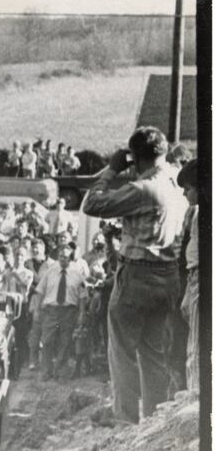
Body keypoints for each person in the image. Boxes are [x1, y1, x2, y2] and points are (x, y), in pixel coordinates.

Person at [82, 127, 189, 423]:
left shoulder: (144, 188)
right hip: (168, 276)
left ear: (136, 158)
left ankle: (124, 416)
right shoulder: (174, 181)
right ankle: (153, 416)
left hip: (137, 275)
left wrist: (112, 170)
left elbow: (91, 204)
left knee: (122, 349)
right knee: (153, 351)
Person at [31, 236, 87, 380]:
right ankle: (46, 371)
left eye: (67, 257)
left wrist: (81, 313)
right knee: (47, 341)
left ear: (71, 258)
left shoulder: (77, 274)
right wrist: (37, 310)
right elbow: (40, 291)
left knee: (65, 342)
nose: (63, 260)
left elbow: (82, 296)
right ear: (58, 257)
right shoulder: (50, 271)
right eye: (61, 257)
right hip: (51, 311)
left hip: (68, 311)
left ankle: (60, 371)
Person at [178, 160, 200, 396]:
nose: (185, 193)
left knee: (197, 346)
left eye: (188, 188)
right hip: (194, 277)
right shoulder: (195, 213)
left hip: (203, 278)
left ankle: (197, 398)